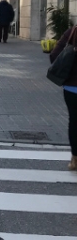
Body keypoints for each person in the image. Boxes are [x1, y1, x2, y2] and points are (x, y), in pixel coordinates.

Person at [49, 25, 77, 170]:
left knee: (74, 121)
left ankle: (75, 159)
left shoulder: (72, 32)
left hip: (72, 87)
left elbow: (54, 55)